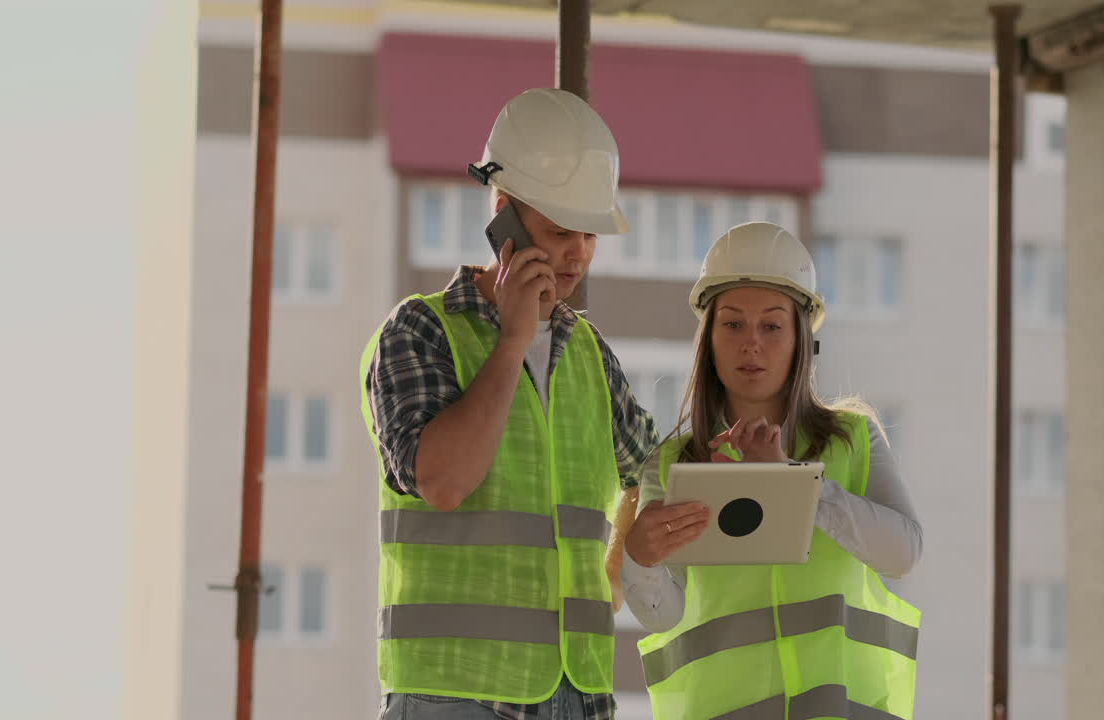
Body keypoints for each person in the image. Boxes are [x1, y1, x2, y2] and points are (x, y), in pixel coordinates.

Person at [360, 88, 660, 720]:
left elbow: (654, 473)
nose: (577, 253)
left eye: (589, 233)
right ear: (505, 217)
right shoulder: (419, 332)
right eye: (558, 231)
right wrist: (514, 339)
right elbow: (443, 480)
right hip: (454, 695)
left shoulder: (588, 354)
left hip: (577, 695)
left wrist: (611, 578)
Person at [615, 222, 925, 720]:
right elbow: (664, 616)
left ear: (801, 338)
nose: (751, 343)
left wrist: (797, 483)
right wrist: (639, 558)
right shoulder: (672, 465)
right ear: (709, 341)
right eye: (732, 324)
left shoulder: (853, 439)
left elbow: (903, 553)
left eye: (772, 325)